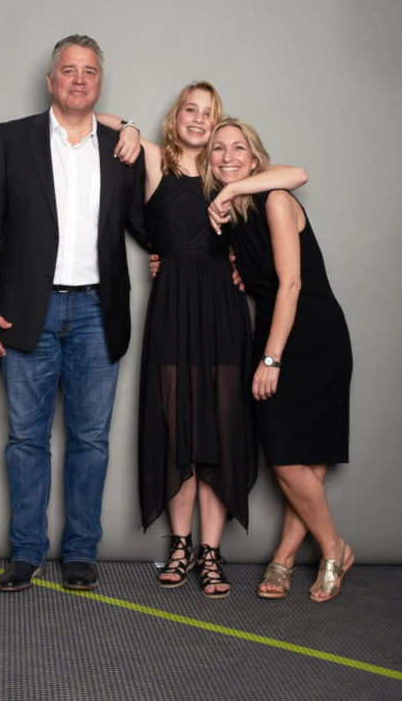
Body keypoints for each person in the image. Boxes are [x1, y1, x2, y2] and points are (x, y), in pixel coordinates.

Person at [100, 84, 307, 598]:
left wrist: (234, 192)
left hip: (222, 309)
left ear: (218, 126)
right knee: (177, 429)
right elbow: (90, 118)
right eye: (190, 109)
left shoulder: (229, 174)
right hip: (172, 307)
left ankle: (211, 553)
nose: (197, 118)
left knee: (219, 427)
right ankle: (181, 545)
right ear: (177, 116)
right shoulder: (154, 159)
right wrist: (129, 126)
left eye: (208, 113)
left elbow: (296, 175)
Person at [0, 34, 148, 592]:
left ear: (100, 84)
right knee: (26, 439)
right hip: (26, 310)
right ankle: (26, 552)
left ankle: (80, 553)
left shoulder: (120, 149)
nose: (79, 79)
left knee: (90, 439)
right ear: (51, 81)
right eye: (69, 70)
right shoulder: (10, 138)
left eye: (89, 71)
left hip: (98, 309)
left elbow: (149, 226)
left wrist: (218, 253)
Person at [207, 117, 354, 603]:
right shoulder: (230, 219)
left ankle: (322, 552)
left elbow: (291, 284)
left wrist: (270, 359)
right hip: (274, 331)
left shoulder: (274, 199)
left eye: (238, 148)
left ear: (254, 158)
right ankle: (309, 552)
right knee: (291, 458)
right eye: (218, 149)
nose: (228, 156)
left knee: (298, 458)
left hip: (312, 338)